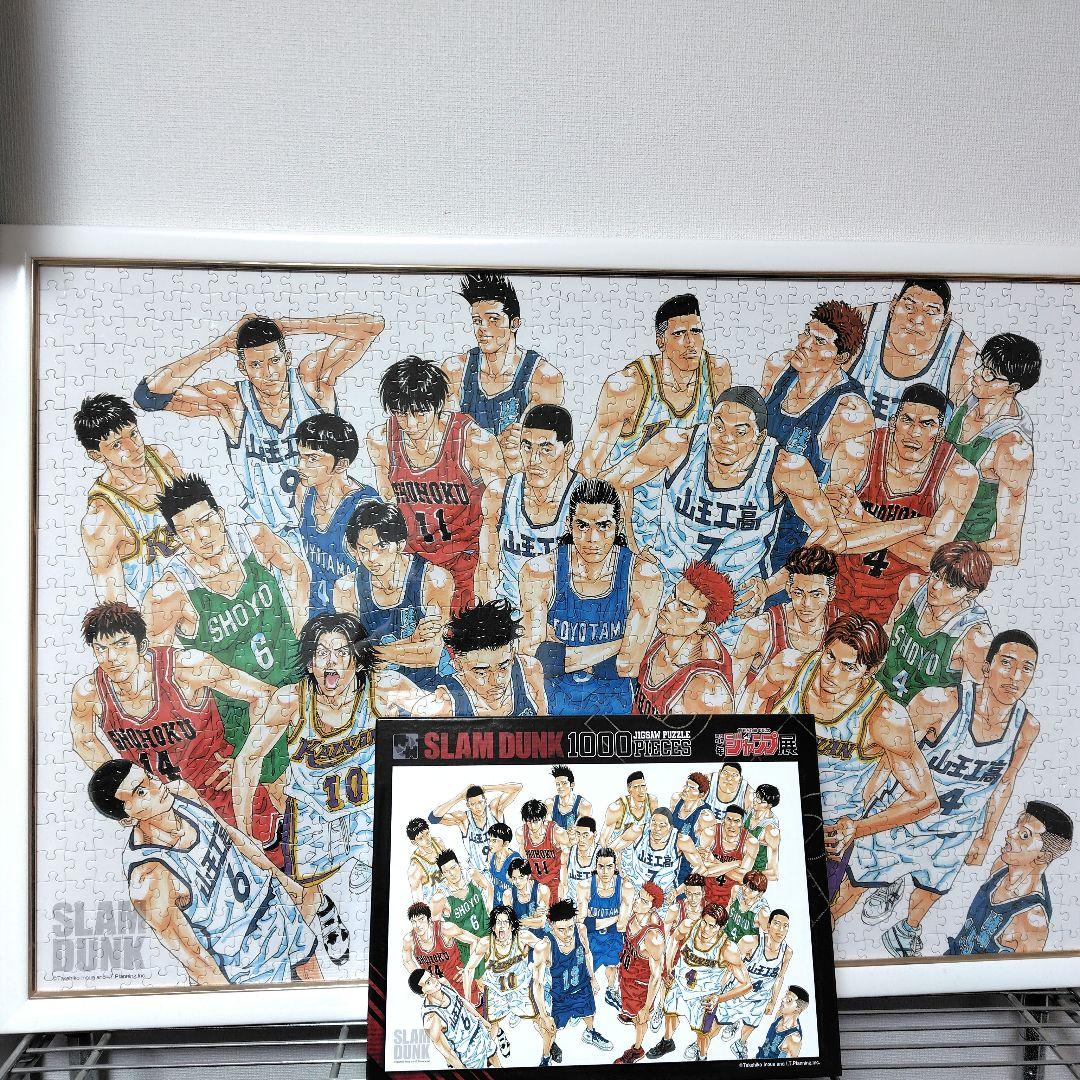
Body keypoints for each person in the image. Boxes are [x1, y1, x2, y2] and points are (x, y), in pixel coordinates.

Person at [234, 613, 432, 960]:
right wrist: (243, 828)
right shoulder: (291, 701)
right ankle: (325, 909)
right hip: (313, 811)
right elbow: (247, 761)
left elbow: (439, 717)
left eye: (341, 652)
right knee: (303, 893)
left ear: (356, 661)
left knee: (402, 877)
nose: (331, 661)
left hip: (369, 806)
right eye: (322, 652)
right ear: (310, 663)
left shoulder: (382, 689)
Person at [845, 632, 1041, 957]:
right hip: (904, 817)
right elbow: (889, 756)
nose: (1015, 676)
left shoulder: (1026, 727)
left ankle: (906, 930)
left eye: (1026, 668)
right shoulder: (939, 702)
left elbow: (1005, 782)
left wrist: (985, 838)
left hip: (956, 830)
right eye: (1007, 664)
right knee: (850, 889)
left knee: (932, 890)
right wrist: (864, 803)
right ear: (987, 667)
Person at [606, 387, 844, 644]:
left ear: (760, 437)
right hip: (667, 588)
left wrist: (770, 586)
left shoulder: (783, 467)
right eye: (718, 427)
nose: (726, 439)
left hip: (735, 601)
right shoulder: (677, 444)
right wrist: (630, 545)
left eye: (740, 432)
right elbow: (610, 485)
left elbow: (830, 534)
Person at [136, 311, 384, 535]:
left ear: (287, 357)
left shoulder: (311, 383)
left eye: (274, 360)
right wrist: (220, 345)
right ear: (242, 367)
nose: (268, 373)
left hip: (336, 526)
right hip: (274, 539)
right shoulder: (232, 403)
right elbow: (147, 397)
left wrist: (288, 326)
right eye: (256, 364)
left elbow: (372, 325)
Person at [747, 613, 939, 900]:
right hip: (764, 815)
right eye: (830, 657)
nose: (832, 673)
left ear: (871, 670)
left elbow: (926, 799)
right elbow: (751, 701)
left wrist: (856, 829)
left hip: (823, 839)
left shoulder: (885, 717)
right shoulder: (788, 668)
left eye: (848, 667)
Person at [144, 473, 309, 801]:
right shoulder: (170, 591)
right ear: (176, 536)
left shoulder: (253, 538)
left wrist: (299, 629)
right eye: (187, 531)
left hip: (298, 680)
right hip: (245, 712)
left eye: (206, 521)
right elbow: (157, 669)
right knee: (283, 798)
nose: (202, 535)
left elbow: (295, 569)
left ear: (220, 514)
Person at [88, 761, 321, 985]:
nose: (157, 786)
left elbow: (231, 835)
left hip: (276, 907)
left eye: (149, 778)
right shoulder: (149, 876)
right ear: (127, 819)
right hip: (244, 959)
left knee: (317, 984)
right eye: (141, 792)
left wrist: (286, 885)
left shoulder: (181, 793)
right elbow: (194, 960)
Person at [70, 603, 280, 850]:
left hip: (227, 794)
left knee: (275, 861)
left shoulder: (185, 667)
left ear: (142, 645)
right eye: (101, 649)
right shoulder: (90, 693)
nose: (112, 658)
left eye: (121, 644)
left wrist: (245, 760)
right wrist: (123, 791)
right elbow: (84, 741)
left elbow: (265, 696)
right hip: (168, 811)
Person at [578, 293, 732, 550]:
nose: (690, 342)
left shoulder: (717, 371)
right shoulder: (628, 385)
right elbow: (589, 465)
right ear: (661, 341)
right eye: (679, 334)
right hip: (634, 518)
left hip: (689, 516)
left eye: (696, 331)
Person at [828, 383, 979, 626]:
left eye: (927, 424)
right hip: (839, 590)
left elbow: (931, 556)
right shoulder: (856, 451)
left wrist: (861, 518)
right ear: (893, 422)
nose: (914, 433)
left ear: (940, 432)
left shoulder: (958, 474)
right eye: (907, 420)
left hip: (900, 606)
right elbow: (836, 531)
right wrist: (917, 525)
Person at [367, 355, 506, 613]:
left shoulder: (473, 441)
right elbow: (390, 510)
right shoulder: (381, 441)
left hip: (466, 561)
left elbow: (496, 515)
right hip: (416, 566)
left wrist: (488, 569)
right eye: (402, 414)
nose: (411, 424)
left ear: (438, 405)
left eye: (420, 414)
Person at [519, 478, 663, 714]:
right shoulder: (540, 572)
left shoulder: (642, 575)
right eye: (583, 526)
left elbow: (628, 665)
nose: (593, 538)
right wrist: (619, 645)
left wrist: (561, 657)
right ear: (569, 524)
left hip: (616, 711)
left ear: (618, 526)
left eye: (603, 525)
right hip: (551, 708)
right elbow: (533, 658)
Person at [761, 300, 873, 572]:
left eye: (819, 341)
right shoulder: (778, 367)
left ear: (841, 357)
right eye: (806, 333)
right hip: (751, 511)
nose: (804, 343)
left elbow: (838, 500)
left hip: (795, 534)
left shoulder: (850, 411)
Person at [442, 272, 564, 472]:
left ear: (514, 323)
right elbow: (445, 441)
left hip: (513, 479)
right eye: (477, 321)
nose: (482, 328)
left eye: (493, 319)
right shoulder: (455, 370)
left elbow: (538, 454)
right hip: (465, 478)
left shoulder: (544, 377)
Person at [333, 499, 454, 690]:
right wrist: (411, 641)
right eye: (364, 549)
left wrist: (372, 652)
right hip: (378, 690)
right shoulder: (346, 588)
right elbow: (351, 657)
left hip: (433, 687)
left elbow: (431, 654)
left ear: (400, 544)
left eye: (381, 546)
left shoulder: (434, 579)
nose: (372, 558)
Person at [75, 394, 183, 603]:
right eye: (117, 445)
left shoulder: (163, 459)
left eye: (133, 433)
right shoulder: (101, 518)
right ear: (97, 455)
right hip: (163, 612)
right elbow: (113, 604)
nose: (133, 447)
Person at [945, 333, 1040, 565]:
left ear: (1013, 387)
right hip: (920, 520)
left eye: (989, 373)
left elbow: (1008, 548)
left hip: (954, 551)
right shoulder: (967, 396)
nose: (978, 373)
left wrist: (947, 554)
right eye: (981, 363)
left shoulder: (1013, 449)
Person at [477, 405, 579, 609]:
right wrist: (487, 619)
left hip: (561, 616)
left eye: (546, 449)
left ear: (567, 450)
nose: (534, 459)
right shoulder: (500, 494)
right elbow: (487, 568)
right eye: (527, 447)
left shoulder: (586, 498)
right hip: (508, 615)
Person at [945, 801, 1072, 956]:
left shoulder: (1033, 918)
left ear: (1042, 856)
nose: (1011, 833)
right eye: (1016, 825)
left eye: (1024, 835)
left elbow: (1026, 970)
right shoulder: (1000, 867)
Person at [876, 540, 993, 706]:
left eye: (951, 584)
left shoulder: (976, 637)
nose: (936, 586)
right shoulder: (912, 587)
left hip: (917, 716)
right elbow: (886, 634)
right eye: (936, 575)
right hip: (876, 692)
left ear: (971, 593)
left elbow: (977, 699)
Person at [848, 279, 976, 423]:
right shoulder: (861, 322)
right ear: (893, 305)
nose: (917, 319)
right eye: (909, 307)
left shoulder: (960, 351)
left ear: (945, 321)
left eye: (930, 312)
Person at [293, 414, 378, 617]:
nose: (300, 466)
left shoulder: (365, 508)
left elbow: (378, 579)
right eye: (300, 456)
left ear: (340, 465)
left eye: (312, 459)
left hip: (356, 618)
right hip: (318, 615)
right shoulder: (304, 493)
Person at [732, 545, 843, 698]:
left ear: (831, 594)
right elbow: (730, 691)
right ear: (788, 589)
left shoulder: (843, 630)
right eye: (799, 593)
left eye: (816, 595)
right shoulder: (760, 629)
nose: (806, 604)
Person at [648, 901, 751, 1063]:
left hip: (704, 996)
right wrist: (668, 967)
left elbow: (746, 984)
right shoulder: (689, 926)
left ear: (721, 927)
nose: (706, 929)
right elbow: (674, 939)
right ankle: (667, 1042)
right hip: (680, 984)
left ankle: (702, 1057)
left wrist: (719, 998)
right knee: (670, 1013)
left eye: (712, 926)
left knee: (702, 1033)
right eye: (704, 922)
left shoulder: (727, 948)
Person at [634, 562, 736, 717]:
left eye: (687, 608)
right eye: (673, 595)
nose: (669, 605)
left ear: (705, 627)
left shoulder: (705, 690)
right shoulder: (667, 633)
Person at [463, 905, 556, 1064]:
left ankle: (546, 1057)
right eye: (498, 922)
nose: (501, 926)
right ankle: (489, 1059)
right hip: (496, 993)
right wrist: (468, 1001)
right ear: (493, 927)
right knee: (488, 1030)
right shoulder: (486, 943)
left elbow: (543, 946)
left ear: (512, 925)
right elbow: (468, 970)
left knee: (545, 1023)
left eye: (505, 922)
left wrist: (547, 953)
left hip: (520, 990)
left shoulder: (523, 937)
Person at [427, 600, 547, 717]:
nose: (497, 681)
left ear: (512, 654)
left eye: (503, 667)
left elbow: (545, 724)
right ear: (458, 665)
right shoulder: (446, 702)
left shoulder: (529, 670)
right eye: (481, 672)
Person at [537, 899, 613, 1056]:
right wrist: (543, 1013)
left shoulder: (581, 930)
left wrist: (592, 977)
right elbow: (538, 983)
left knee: (589, 1012)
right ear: (551, 925)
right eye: (561, 929)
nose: (567, 934)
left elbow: (587, 953)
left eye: (570, 927)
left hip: (581, 984)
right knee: (552, 1028)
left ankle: (590, 1032)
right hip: (560, 994)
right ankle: (548, 1050)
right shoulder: (546, 945)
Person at [720, 910, 793, 1060]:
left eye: (785, 926)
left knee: (751, 1025)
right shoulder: (751, 942)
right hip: (739, 991)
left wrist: (772, 1001)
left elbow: (780, 977)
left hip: (760, 997)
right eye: (777, 924)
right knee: (718, 1022)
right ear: (768, 925)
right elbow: (732, 965)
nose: (781, 929)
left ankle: (740, 1044)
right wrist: (722, 987)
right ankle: (726, 1027)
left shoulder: (787, 952)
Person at [612, 882, 667, 1065]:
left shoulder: (653, 936)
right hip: (628, 971)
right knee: (630, 1007)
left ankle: (637, 1049)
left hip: (641, 982)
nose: (637, 902)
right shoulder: (636, 915)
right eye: (639, 897)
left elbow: (656, 975)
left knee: (641, 1018)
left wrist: (646, 1007)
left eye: (644, 901)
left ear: (652, 907)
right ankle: (630, 1012)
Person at [428, 781, 522, 881]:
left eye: (480, 802)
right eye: (473, 804)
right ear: (468, 805)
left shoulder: (494, 810)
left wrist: (485, 788)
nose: (478, 807)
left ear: (485, 801)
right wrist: (460, 797)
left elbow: (518, 787)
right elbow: (433, 818)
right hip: (479, 874)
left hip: (502, 869)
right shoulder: (464, 819)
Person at [408, 968, 499, 1070]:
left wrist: (483, 1021)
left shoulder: (443, 983)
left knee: (496, 1060)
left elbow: (461, 1000)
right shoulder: (432, 1018)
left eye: (431, 976)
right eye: (428, 982)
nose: (434, 980)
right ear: (423, 993)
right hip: (468, 1052)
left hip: (479, 1031)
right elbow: (448, 1053)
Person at [577, 846, 632, 1011]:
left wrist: (594, 922)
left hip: (613, 938)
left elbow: (622, 925)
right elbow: (582, 922)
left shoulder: (625, 887)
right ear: (595, 866)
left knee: (614, 964)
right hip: (592, 939)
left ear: (615, 866)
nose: (605, 871)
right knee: (581, 977)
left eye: (609, 866)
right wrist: (615, 917)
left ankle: (611, 990)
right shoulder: (585, 886)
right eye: (601, 867)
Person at [613, 807, 699, 901]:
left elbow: (699, 867)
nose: (657, 829)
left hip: (665, 894)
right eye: (654, 824)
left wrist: (677, 891)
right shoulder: (638, 831)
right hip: (637, 890)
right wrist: (622, 874)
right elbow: (611, 851)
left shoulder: (681, 840)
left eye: (662, 825)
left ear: (670, 828)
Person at [401, 901, 477, 1003]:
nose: (418, 925)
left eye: (421, 919)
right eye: (414, 921)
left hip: (462, 984)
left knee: (478, 1009)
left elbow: (474, 941)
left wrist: (468, 968)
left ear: (429, 919)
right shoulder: (409, 940)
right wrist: (423, 983)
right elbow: (407, 960)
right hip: (440, 991)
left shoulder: (445, 929)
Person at [436, 849, 493, 979]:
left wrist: (489, 910)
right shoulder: (442, 896)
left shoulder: (471, 875)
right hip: (469, 949)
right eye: (446, 871)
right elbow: (440, 930)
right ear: (443, 874)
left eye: (453, 868)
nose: (452, 873)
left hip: (488, 934)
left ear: (459, 865)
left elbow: (489, 887)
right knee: (480, 981)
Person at [694, 804, 761, 910]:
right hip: (705, 892)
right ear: (723, 819)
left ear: (742, 823)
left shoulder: (750, 842)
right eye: (729, 819)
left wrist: (713, 862)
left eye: (736, 821)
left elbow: (742, 877)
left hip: (731, 897)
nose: (732, 825)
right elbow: (701, 868)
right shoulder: (710, 833)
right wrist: (735, 864)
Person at [600, 771, 657, 880]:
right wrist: (611, 861)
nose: (641, 790)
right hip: (619, 855)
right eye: (636, 787)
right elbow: (604, 839)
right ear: (629, 789)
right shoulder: (617, 807)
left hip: (642, 856)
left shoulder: (652, 801)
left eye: (643, 786)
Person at [669, 773, 717, 885]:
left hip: (688, 864)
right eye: (686, 785)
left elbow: (703, 852)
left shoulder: (705, 816)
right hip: (669, 856)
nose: (686, 790)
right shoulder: (676, 799)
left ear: (701, 794)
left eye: (692, 788)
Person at [518, 798, 570, 901]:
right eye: (529, 822)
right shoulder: (521, 833)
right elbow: (524, 860)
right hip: (534, 882)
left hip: (554, 881)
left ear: (543, 818)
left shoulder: (556, 832)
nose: (532, 826)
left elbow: (567, 858)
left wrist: (564, 885)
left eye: (535, 821)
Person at [406, 819, 450, 912]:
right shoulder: (415, 867)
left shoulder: (438, 843)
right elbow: (418, 902)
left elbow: (452, 865)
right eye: (421, 838)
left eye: (427, 834)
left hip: (453, 892)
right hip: (439, 907)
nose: (427, 839)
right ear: (414, 842)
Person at [755, 986, 809, 1060]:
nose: (783, 999)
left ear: (797, 1009)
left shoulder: (794, 1037)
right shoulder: (779, 1015)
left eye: (789, 1000)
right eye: (785, 995)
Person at [744, 784, 782, 881]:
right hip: (738, 861)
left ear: (770, 805)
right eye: (756, 796)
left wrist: (750, 876)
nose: (755, 801)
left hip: (752, 872)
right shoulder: (750, 811)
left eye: (761, 800)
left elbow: (773, 873)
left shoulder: (771, 830)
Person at [724, 871, 770, 945]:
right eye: (745, 885)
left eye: (751, 889)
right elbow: (727, 912)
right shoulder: (736, 891)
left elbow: (768, 937)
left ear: (760, 893)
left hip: (742, 947)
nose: (745, 890)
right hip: (725, 937)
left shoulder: (762, 911)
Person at [505, 857, 551, 930]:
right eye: (514, 878)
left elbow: (541, 922)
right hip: (519, 933)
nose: (517, 881)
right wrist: (533, 917)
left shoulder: (541, 890)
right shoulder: (508, 895)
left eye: (521, 877)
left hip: (540, 933)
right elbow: (510, 923)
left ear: (529, 876)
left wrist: (518, 921)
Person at [547, 765, 593, 832]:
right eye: (557, 784)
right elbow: (547, 830)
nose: (560, 787)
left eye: (564, 783)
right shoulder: (550, 804)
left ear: (572, 785)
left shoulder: (584, 806)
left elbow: (581, 833)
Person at [486, 822, 523, 902]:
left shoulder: (514, 860)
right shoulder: (491, 856)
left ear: (505, 843)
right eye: (489, 840)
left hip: (510, 903)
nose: (490, 844)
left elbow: (520, 887)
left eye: (494, 841)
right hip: (496, 903)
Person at [565, 816, 600, 893]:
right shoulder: (569, 851)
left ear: (594, 834)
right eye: (578, 834)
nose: (581, 839)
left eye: (585, 835)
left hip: (592, 899)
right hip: (571, 899)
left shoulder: (602, 854)